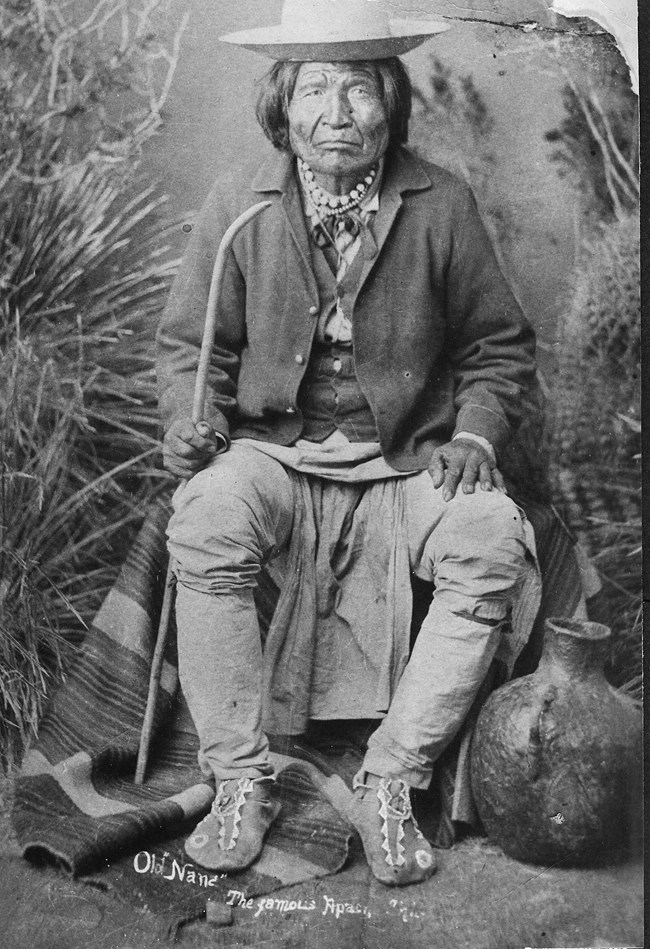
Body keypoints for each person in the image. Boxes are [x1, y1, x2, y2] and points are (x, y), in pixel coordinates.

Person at [156, 0, 538, 887]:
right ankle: (240, 777)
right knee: (207, 515)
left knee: (490, 541)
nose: (337, 112)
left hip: (408, 456)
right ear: (282, 108)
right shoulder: (241, 205)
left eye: (359, 89)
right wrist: (192, 417)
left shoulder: (440, 202)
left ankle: (393, 776)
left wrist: (477, 431)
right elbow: (191, 348)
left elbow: (499, 345)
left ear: (390, 104)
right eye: (316, 89)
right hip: (276, 452)